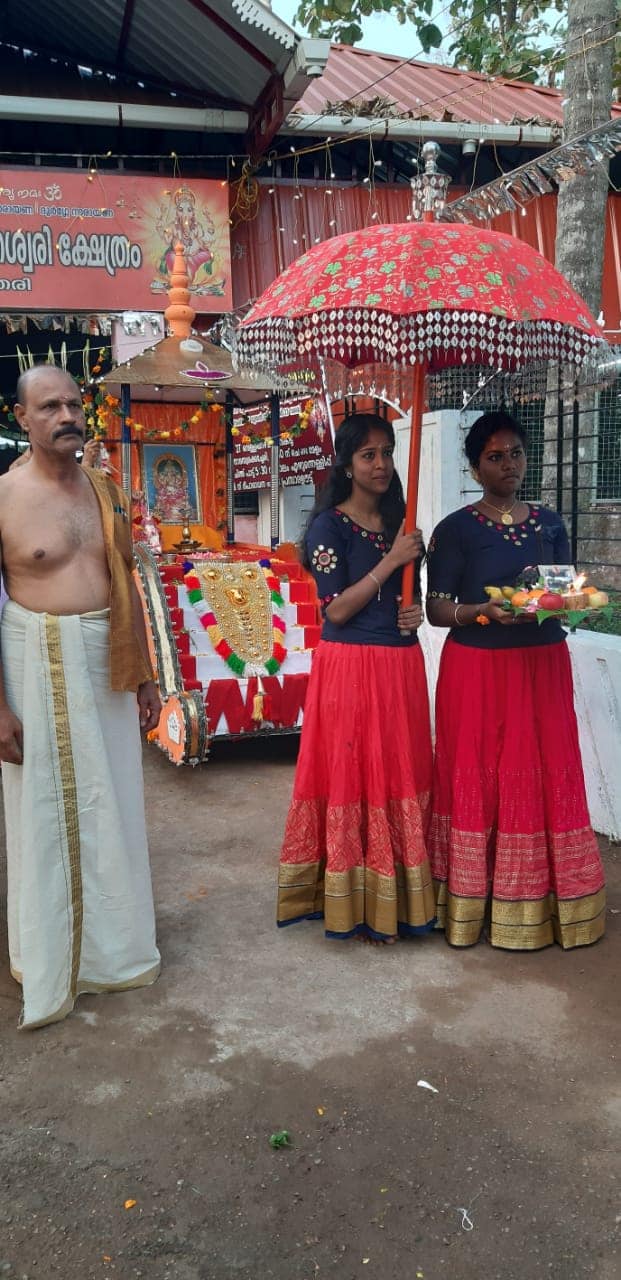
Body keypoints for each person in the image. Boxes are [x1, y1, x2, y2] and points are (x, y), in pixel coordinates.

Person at [0, 366, 162, 1029]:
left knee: (114, 803)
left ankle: (115, 953)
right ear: (22, 418)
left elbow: (123, 580)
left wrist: (147, 675)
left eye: (74, 403)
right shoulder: (3, 497)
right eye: (50, 407)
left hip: (107, 661)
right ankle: (48, 956)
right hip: (33, 664)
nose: (68, 415)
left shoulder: (103, 491)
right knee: (43, 813)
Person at [426, 410, 606, 951]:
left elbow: (559, 589)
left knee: (545, 770)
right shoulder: (454, 530)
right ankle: (470, 901)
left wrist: (573, 606)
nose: (509, 465)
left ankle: (548, 899)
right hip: (478, 670)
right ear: (476, 466)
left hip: (541, 665)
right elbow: (436, 609)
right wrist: (482, 610)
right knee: (480, 773)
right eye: (495, 456)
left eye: (517, 454)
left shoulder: (549, 523)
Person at [277, 412, 436, 944]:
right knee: (356, 776)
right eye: (369, 454)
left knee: (398, 777)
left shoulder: (401, 525)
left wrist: (410, 613)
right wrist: (392, 560)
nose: (383, 464)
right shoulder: (329, 527)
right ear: (346, 465)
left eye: (388, 452)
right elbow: (336, 610)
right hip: (351, 667)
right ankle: (357, 906)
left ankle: (399, 900)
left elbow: (403, 601)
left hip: (400, 665)